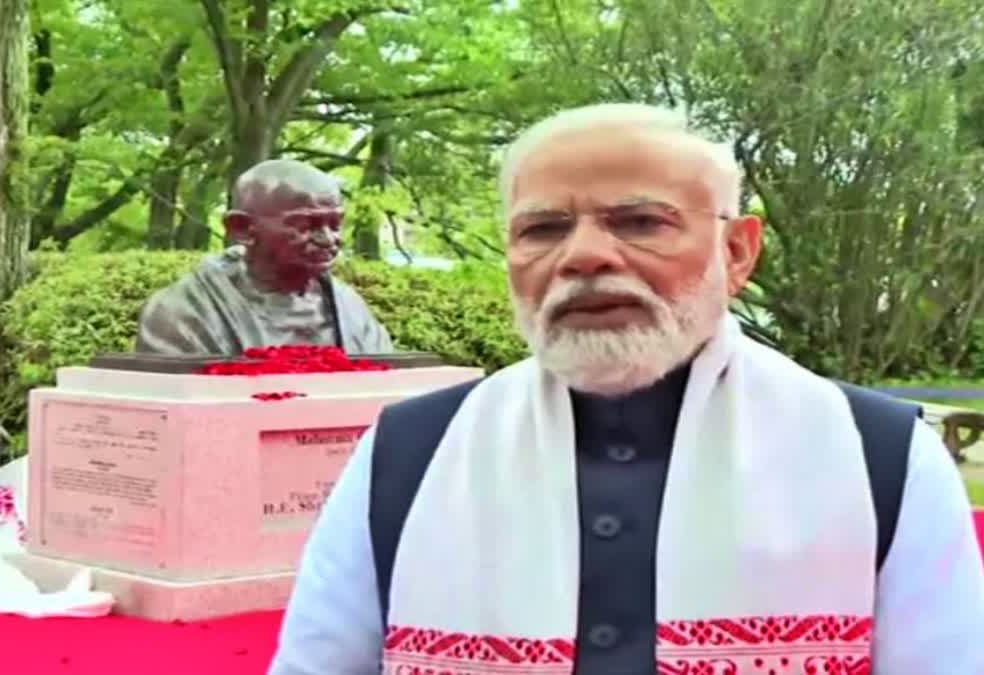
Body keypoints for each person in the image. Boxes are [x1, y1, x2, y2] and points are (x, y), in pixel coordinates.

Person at [268, 104, 984, 674]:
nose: (582, 256)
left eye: (640, 221)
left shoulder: (880, 455)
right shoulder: (408, 453)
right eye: (542, 228)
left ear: (736, 252)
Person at [135, 159, 393, 356]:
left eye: (335, 224)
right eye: (305, 225)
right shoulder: (183, 314)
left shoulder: (352, 312)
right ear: (242, 228)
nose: (327, 239)